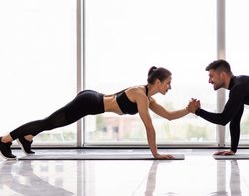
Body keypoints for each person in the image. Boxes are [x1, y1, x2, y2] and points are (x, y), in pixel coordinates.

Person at [1, 66, 192, 160]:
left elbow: (168, 115)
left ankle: (26, 138)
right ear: (157, 82)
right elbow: (149, 127)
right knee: (49, 122)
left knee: (50, 122)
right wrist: (156, 154)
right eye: (168, 83)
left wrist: (189, 110)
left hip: (92, 100)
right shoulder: (140, 94)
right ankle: (4, 140)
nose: (170, 86)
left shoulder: (148, 98)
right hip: (88, 102)